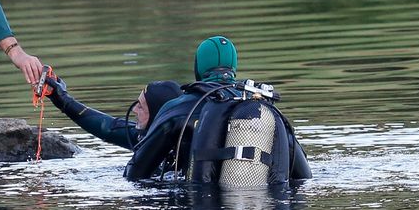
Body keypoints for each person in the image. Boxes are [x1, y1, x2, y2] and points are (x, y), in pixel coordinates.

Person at [44, 36, 311, 185]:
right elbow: (304, 177)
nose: (136, 108)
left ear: (198, 67)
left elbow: (135, 172)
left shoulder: (180, 108)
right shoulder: (261, 107)